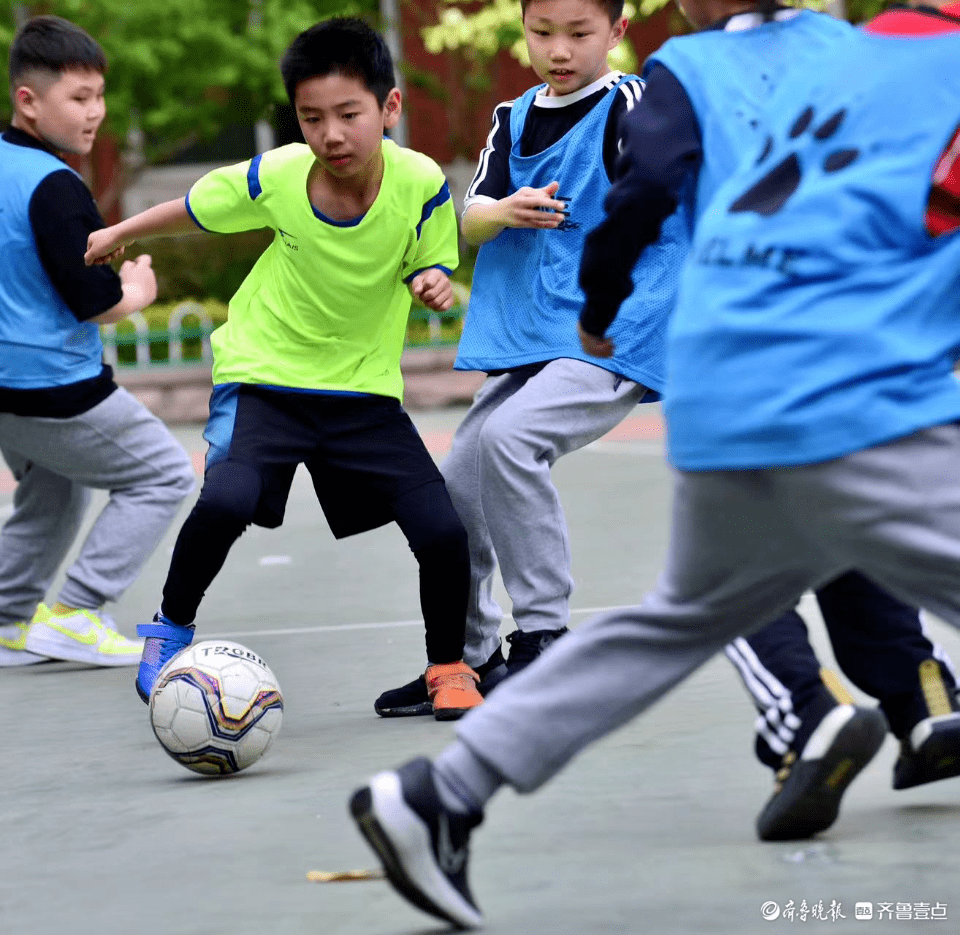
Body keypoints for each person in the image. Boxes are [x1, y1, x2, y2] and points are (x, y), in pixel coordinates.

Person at [348, 0, 960, 927]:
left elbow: (649, 193)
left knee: (683, 615)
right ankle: (896, 700)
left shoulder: (696, 70)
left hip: (722, 369)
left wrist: (599, 300)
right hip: (846, 373)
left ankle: (436, 795)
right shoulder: (887, 48)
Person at [85, 17, 484, 719]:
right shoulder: (280, 174)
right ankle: (170, 623)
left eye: (348, 115)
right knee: (228, 499)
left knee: (442, 530)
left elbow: (431, 251)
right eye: (311, 118)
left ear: (389, 109)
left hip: (360, 389)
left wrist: (433, 279)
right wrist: (120, 230)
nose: (330, 134)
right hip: (266, 374)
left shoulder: (420, 181)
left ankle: (448, 667)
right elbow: (196, 209)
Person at [372, 0, 686, 717]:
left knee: (512, 442)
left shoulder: (629, 103)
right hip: (530, 338)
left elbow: (668, 193)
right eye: (543, 33)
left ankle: (544, 640)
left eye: (579, 34)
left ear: (617, 33)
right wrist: (505, 209)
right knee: (456, 481)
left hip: (609, 331)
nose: (560, 49)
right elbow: (471, 215)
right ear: (524, 33)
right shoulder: (512, 118)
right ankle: (467, 657)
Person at [0, 15, 195, 670]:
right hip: (52, 383)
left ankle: (6, 620)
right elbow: (97, 300)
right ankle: (77, 610)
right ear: (28, 100)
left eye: (99, 96)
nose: (96, 114)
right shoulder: (53, 184)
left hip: (9, 388)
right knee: (163, 474)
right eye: (78, 98)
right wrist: (137, 285)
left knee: (54, 489)